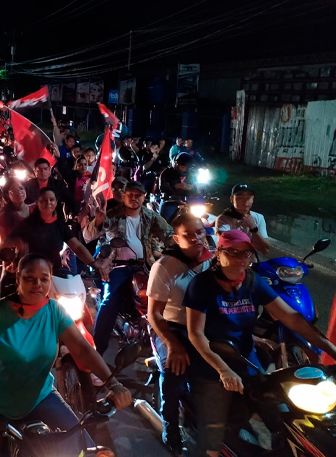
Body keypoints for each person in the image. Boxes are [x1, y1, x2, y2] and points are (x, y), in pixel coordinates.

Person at [0, 254, 132, 457]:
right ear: (18, 277)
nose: (37, 284)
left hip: (40, 396)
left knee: (84, 447)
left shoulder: (55, 312)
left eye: (44, 278)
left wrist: (114, 384)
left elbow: (84, 350)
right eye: (30, 278)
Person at [184, 230, 336, 457]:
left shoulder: (252, 281)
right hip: (211, 364)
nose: (240, 260)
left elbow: (292, 318)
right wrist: (223, 370)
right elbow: (196, 334)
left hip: (245, 357)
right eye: (233, 253)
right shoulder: (202, 285)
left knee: (278, 413)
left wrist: (331, 349)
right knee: (213, 436)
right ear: (219, 254)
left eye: (246, 254)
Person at [146, 213, 213, 454]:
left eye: (200, 232)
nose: (197, 239)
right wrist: (173, 344)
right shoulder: (165, 266)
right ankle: (171, 426)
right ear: (176, 238)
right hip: (171, 326)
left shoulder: (212, 260)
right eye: (189, 235)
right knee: (175, 371)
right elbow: (154, 315)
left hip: (203, 325)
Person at [83, 181, 174, 355]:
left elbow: (168, 234)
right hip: (118, 267)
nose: (134, 198)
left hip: (144, 265)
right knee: (109, 303)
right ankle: (96, 352)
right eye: (130, 195)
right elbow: (88, 235)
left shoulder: (151, 216)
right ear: (124, 195)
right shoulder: (113, 215)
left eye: (138, 195)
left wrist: (180, 247)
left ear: (144, 197)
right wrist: (98, 221)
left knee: (165, 298)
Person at [7, 188, 107, 278]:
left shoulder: (60, 225)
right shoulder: (26, 225)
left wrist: (93, 263)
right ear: (37, 202)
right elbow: (7, 245)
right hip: (30, 275)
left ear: (56, 202)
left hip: (54, 274)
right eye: (44, 200)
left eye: (51, 200)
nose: (48, 203)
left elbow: (77, 246)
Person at [0, 179, 32, 297]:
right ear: (7, 194)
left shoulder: (34, 209)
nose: (19, 192)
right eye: (13, 190)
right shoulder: (3, 214)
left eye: (21, 188)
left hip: (34, 257)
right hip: (14, 258)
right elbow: (4, 242)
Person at [215, 184, 269, 255]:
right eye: (240, 197)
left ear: (253, 199)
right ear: (232, 199)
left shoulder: (259, 217)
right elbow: (225, 244)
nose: (246, 200)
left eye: (249, 197)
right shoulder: (224, 219)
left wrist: (253, 229)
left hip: (251, 261)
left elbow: (265, 250)